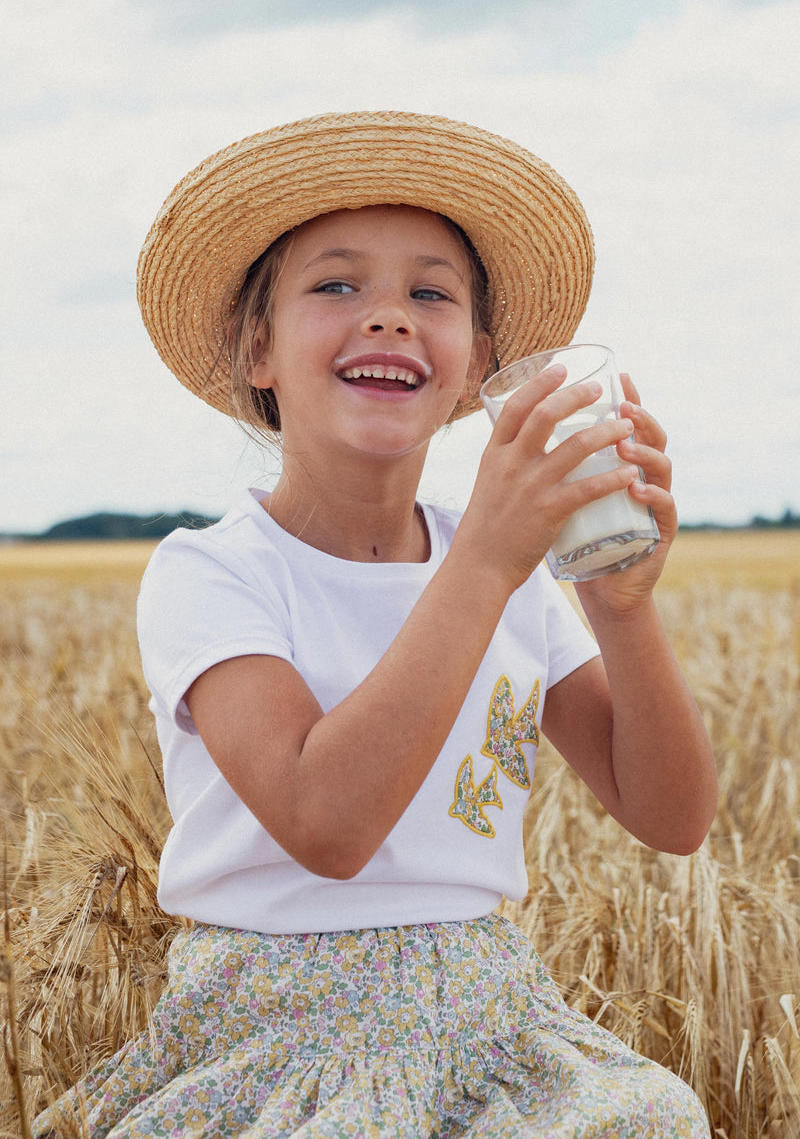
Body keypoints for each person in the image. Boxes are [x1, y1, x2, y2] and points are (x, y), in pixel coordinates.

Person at [35, 111, 716, 1138]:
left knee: (651, 1116)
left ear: (475, 367)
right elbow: (328, 827)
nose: (390, 317)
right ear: (255, 350)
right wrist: (487, 556)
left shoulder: (511, 575)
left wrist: (619, 609)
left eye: (429, 294)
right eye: (337, 285)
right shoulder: (212, 573)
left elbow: (671, 818)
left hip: (493, 1022)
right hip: (274, 1032)